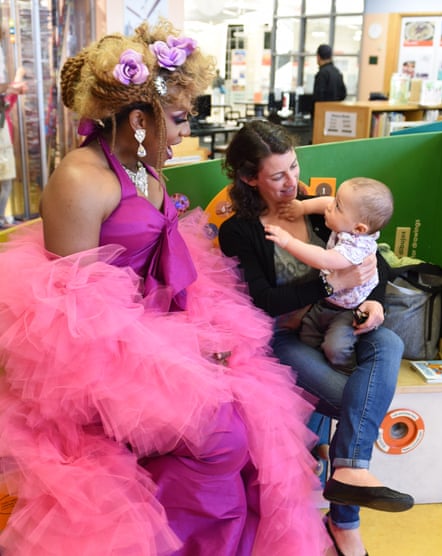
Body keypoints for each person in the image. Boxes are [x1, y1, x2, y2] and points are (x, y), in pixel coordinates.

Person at [0, 21, 331, 555]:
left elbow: (166, 275)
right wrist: (177, 357)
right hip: (96, 363)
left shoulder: (145, 174)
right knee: (221, 441)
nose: (184, 132)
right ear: (137, 119)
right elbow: (71, 315)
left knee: (254, 424)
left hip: (154, 333)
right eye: (178, 118)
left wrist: (199, 339)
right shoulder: (80, 180)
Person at [218, 120, 413, 556]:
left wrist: (376, 300)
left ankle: (344, 485)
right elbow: (265, 300)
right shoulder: (241, 231)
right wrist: (329, 283)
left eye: (295, 166)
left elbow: (369, 257)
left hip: (342, 321)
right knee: (356, 402)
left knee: (391, 344)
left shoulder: (318, 208)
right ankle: (345, 518)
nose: (293, 182)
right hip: (286, 336)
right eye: (278, 175)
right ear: (250, 178)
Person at [264, 177, 394, 373]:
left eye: (337, 207)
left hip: (347, 310)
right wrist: (302, 207)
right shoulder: (347, 222)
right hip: (325, 303)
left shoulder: (355, 247)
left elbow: (323, 260)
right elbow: (326, 201)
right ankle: (320, 371)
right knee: (307, 338)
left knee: (335, 348)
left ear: (359, 229)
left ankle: (346, 371)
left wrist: (287, 241)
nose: (329, 207)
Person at [0, 67, 27, 228]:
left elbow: (10, 96)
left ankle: (1, 217)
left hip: (5, 149)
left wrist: (17, 77)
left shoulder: (4, 105)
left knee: (7, 183)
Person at [312, 44, 346, 117]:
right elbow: (343, 94)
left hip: (323, 115)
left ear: (318, 57)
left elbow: (318, 98)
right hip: (336, 114)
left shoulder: (321, 74)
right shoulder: (337, 72)